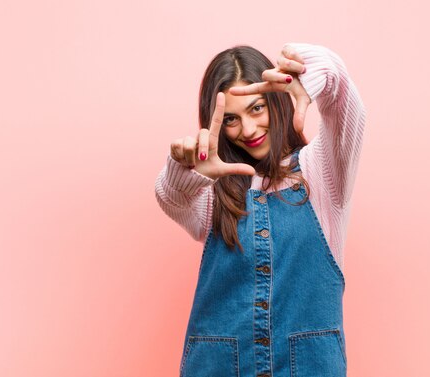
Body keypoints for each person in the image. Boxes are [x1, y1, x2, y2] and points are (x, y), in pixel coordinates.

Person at [155, 42, 366, 377]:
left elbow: (345, 108)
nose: (249, 130)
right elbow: (171, 198)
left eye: (256, 109)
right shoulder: (214, 188)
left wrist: (309, 76)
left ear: (277, 99)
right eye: (231, 120)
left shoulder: (323, 172)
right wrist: (186, 171)